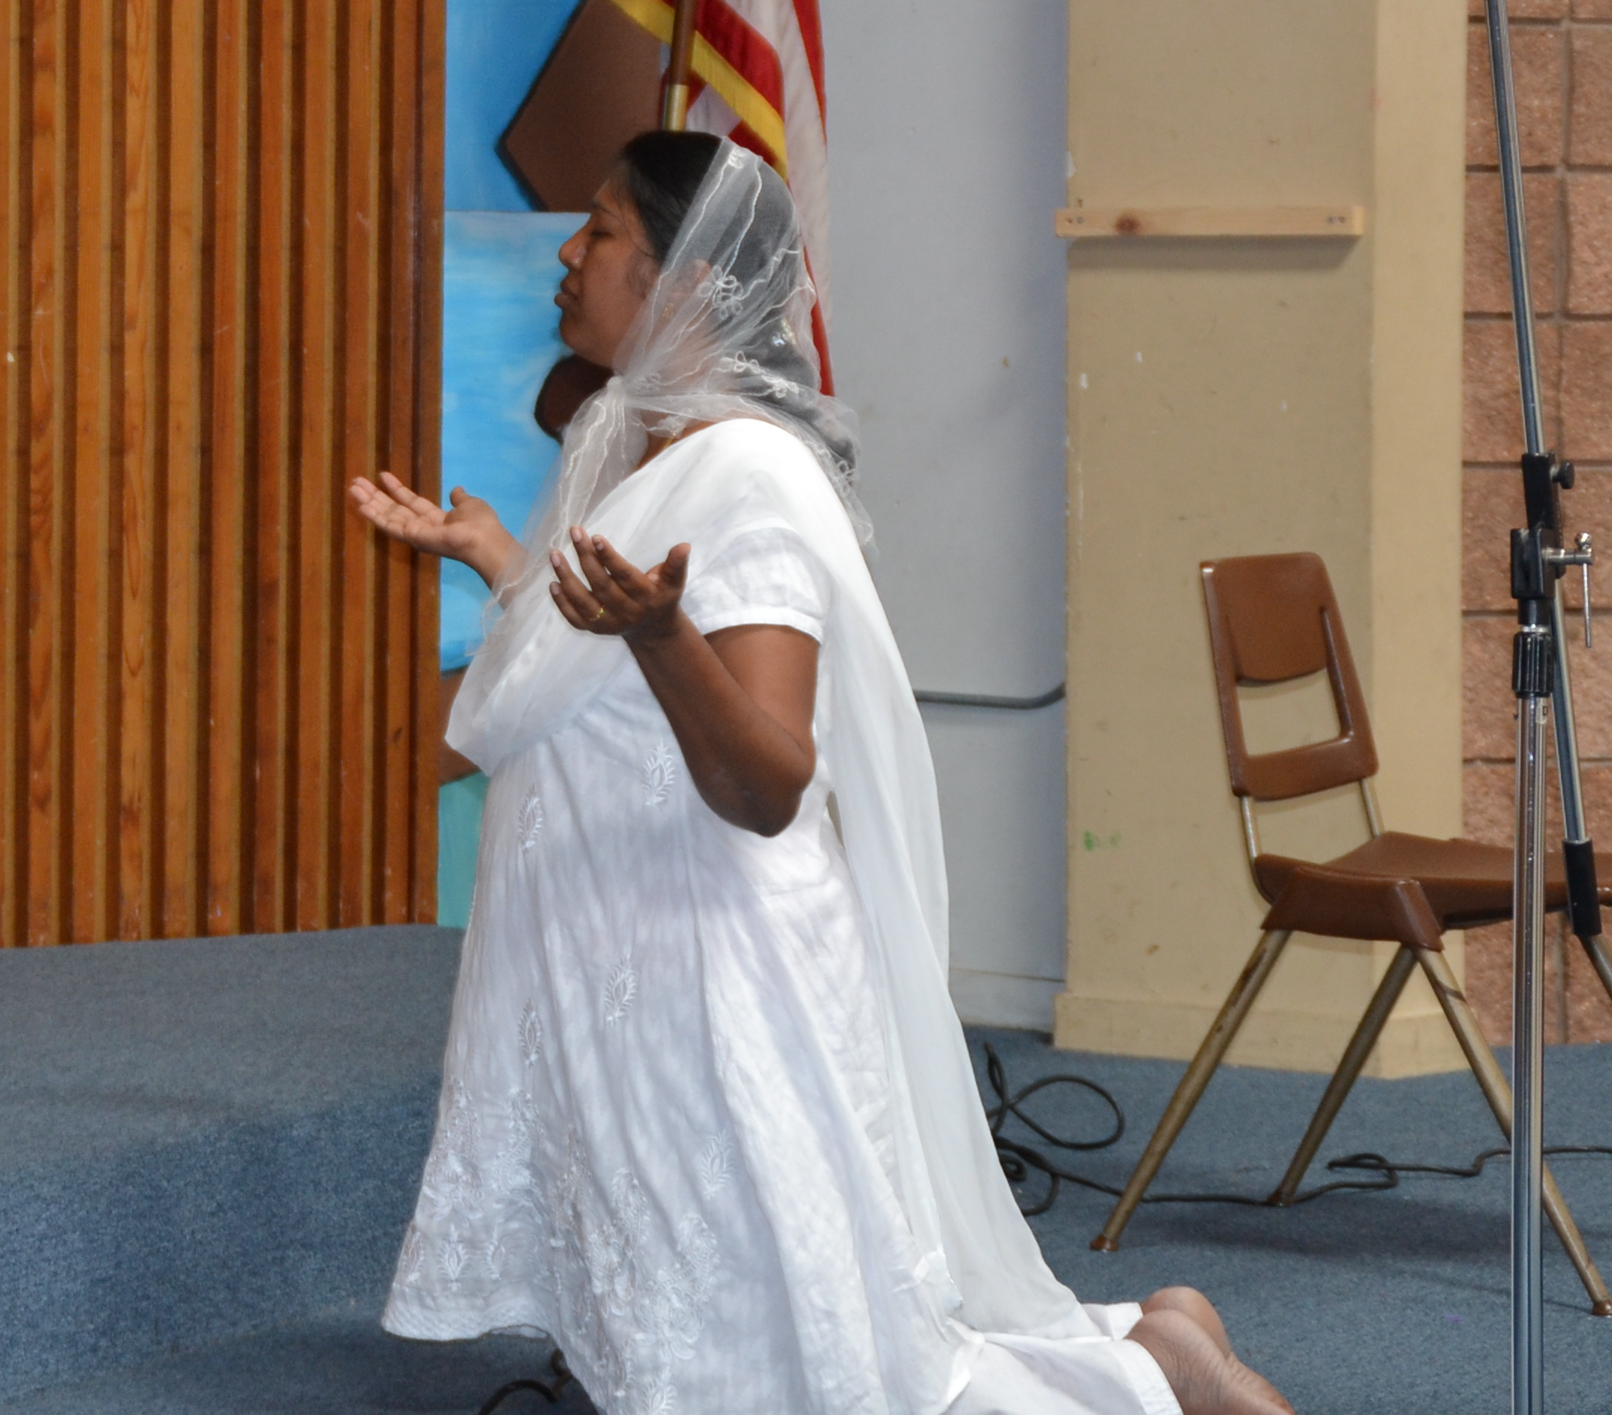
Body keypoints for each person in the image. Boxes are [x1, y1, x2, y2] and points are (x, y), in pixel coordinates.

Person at [347, 132, 1288, 1415]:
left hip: (720, 978)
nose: (571, 251)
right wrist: (511, 563)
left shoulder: (749, 470)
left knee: (829, 1376)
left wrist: (661, 633)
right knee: (730, 1343)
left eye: (606, 229)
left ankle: (1137, 1381)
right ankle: (1139, 1353)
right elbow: (610, 687)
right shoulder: (640, 441)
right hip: (636, 967)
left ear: (683, 281)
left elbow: (767, 777)